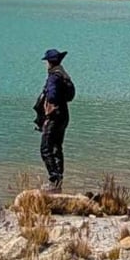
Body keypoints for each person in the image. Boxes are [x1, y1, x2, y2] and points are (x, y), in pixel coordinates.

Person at [33, 48, 74, 191]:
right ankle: (58, 181)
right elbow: (69, 96)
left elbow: (51, 95)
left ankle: (53, 179)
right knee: (57, 147)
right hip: (64, 114)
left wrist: (48, 110)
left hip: (54, 115)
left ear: (49, 62)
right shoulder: (63, 74)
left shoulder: (53, 77)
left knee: (45, 148)